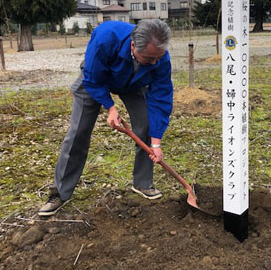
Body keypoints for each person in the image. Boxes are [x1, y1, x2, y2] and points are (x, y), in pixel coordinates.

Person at [38, 19, 173, 217]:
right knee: (78, 132)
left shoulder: (159, 57)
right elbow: (92, 79)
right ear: (133, 45)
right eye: (149, 58)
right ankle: (61, 192)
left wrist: (156, 143)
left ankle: (143, 183)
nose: (154, 63)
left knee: (145, 124)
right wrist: (110, 108)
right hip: (95, 80)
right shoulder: (106, 37)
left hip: (134, 83)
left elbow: (161, 97)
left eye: (157, 58)